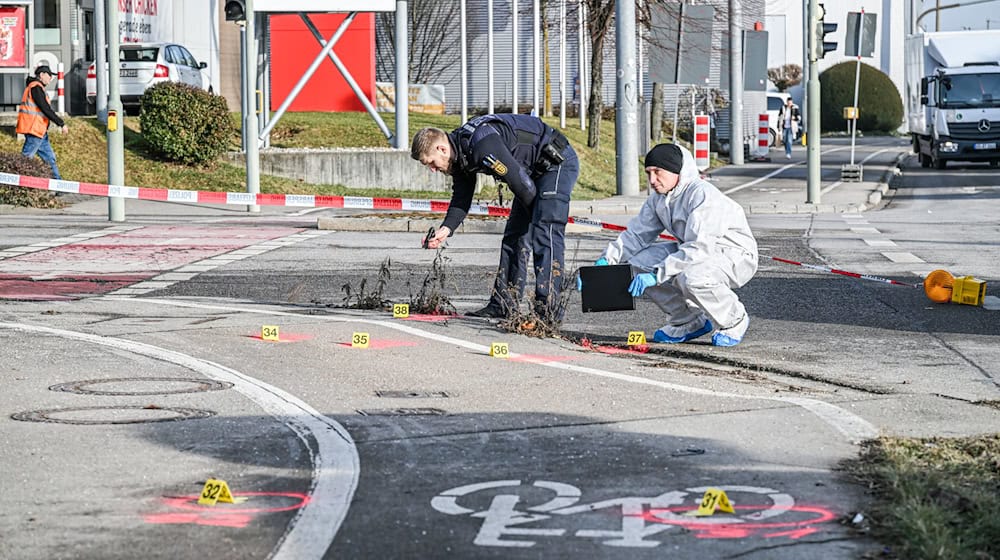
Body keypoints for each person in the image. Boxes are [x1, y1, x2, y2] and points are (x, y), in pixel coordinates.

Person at [411, 114, 578, 322]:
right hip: (531, 173)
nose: (433, 169)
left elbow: (521, 183)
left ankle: (547, 312)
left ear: (442, 149)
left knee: (545, 230)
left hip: (556, 163)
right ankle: (503, 304)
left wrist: (540, 216)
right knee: (515, 236)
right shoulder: (461, 152)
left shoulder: (482, 145)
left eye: (431, 163)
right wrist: (445, 229)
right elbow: (462, 198)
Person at [592, 143, 758, 347]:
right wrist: (606, 260)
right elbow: (636, 235)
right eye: (648, 173)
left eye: (657, 172)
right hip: (694, 250)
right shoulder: (659, 199)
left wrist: (657, 274)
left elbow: (700, 247)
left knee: (691, 277)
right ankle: (688, 320)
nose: (652, 180)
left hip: (735, 255)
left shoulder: (702, 195)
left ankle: (734, 319)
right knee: (637, 265)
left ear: (676, 170)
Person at [16, 65, 67, 180]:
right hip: (34, 129)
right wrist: (61, 123)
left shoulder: (36, 87)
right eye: (49, 75)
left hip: (40, 131)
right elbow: (45, 108)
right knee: (26, 158)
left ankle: (57, 184)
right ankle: (16, 183)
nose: (50, 78)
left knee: (50, 159)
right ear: (42, 74)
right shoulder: (36, 88)